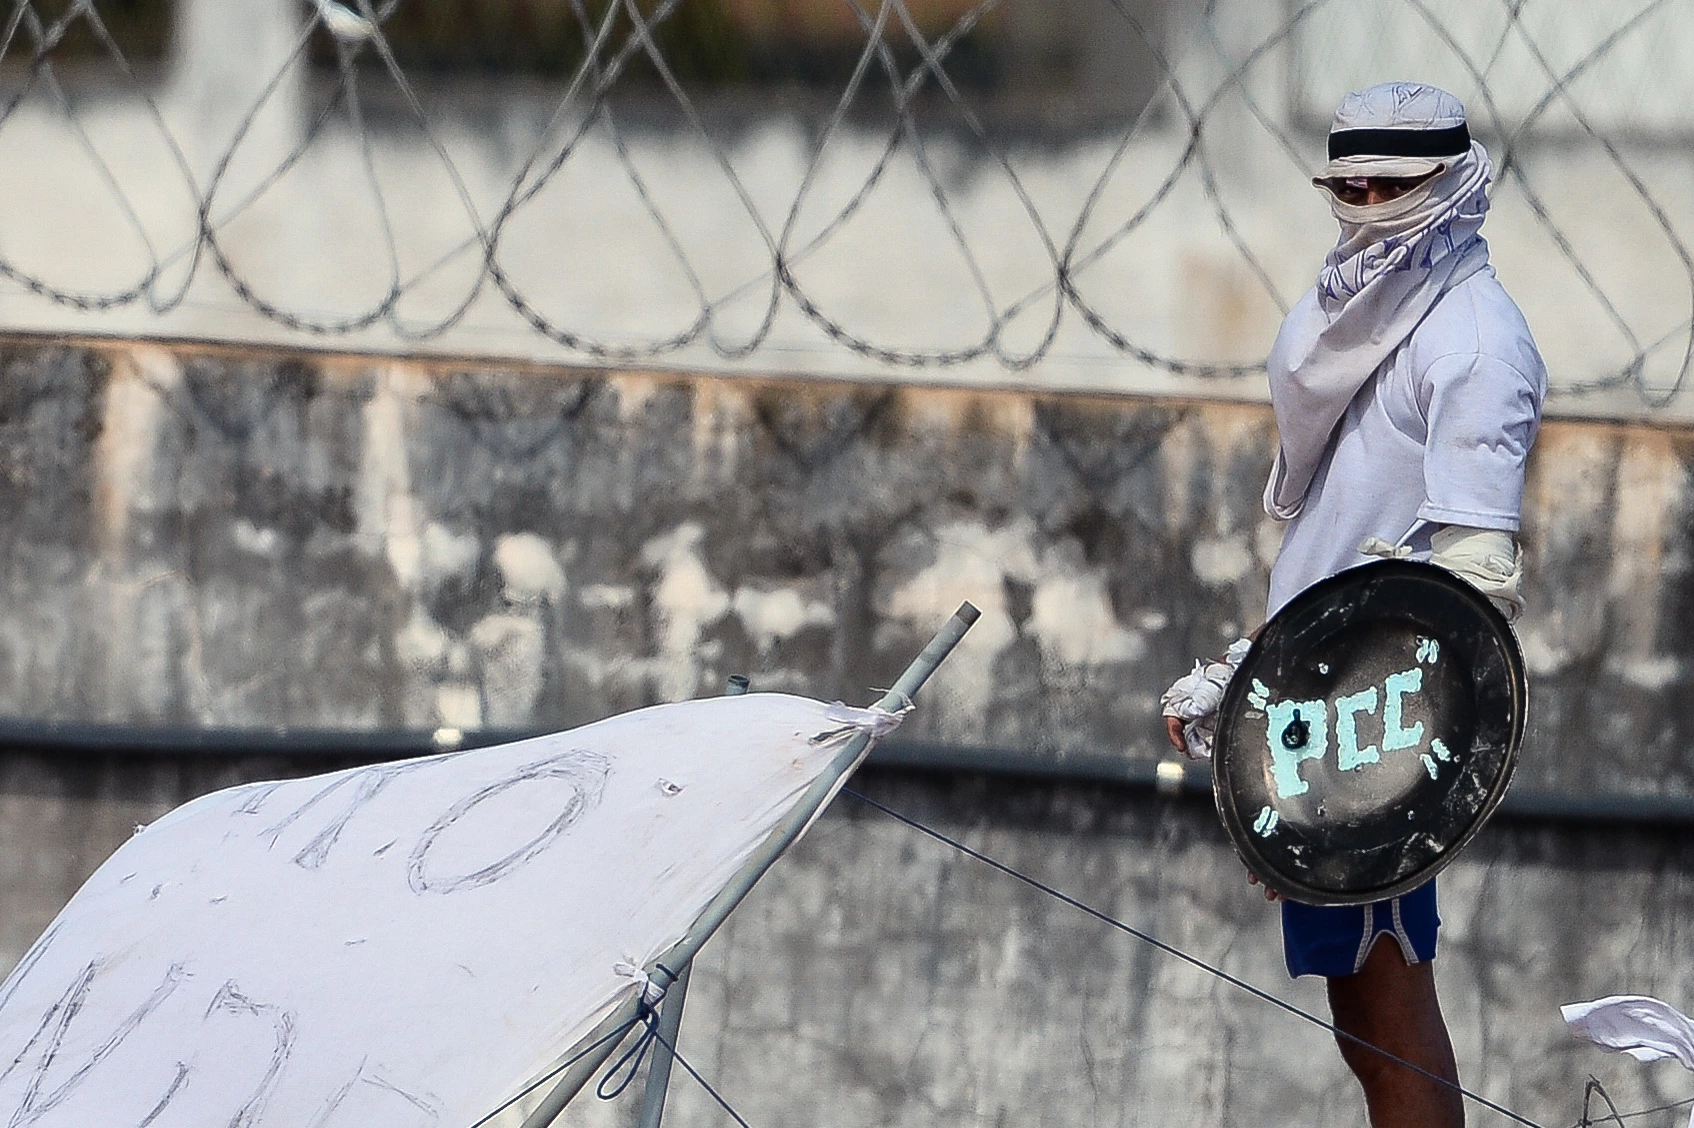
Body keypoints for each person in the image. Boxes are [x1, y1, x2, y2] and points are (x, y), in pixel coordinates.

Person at [1161, 82, 1547, 1128]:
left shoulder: (1472, 344)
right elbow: (1342, 550)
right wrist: (1250, 676)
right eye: (1348, 186)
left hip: (1380, 723)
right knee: (1363, 1012)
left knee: (1385, 1007)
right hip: (1325, 693)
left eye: (1391, 187)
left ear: (1450, 187)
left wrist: (1341, 749)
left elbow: (1466, 586)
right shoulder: (1370, 320)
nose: (1366, 207)